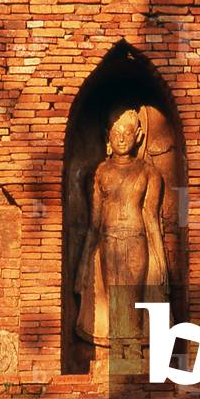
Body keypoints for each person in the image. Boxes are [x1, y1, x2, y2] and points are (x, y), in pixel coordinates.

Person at [75, 108, 168, 356]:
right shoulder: (100, 173)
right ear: (108, 135)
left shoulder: (149, 173)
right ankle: (117, 352)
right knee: (113, 297)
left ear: (138, 136)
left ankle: (134, 351)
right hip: (109, 240)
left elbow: (151, 217)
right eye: (116, 133)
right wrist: (84, 262)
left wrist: (161, 262)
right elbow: (94, 222)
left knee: (133, 296)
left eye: (127, 133)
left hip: (137, 239)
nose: (121, 138)